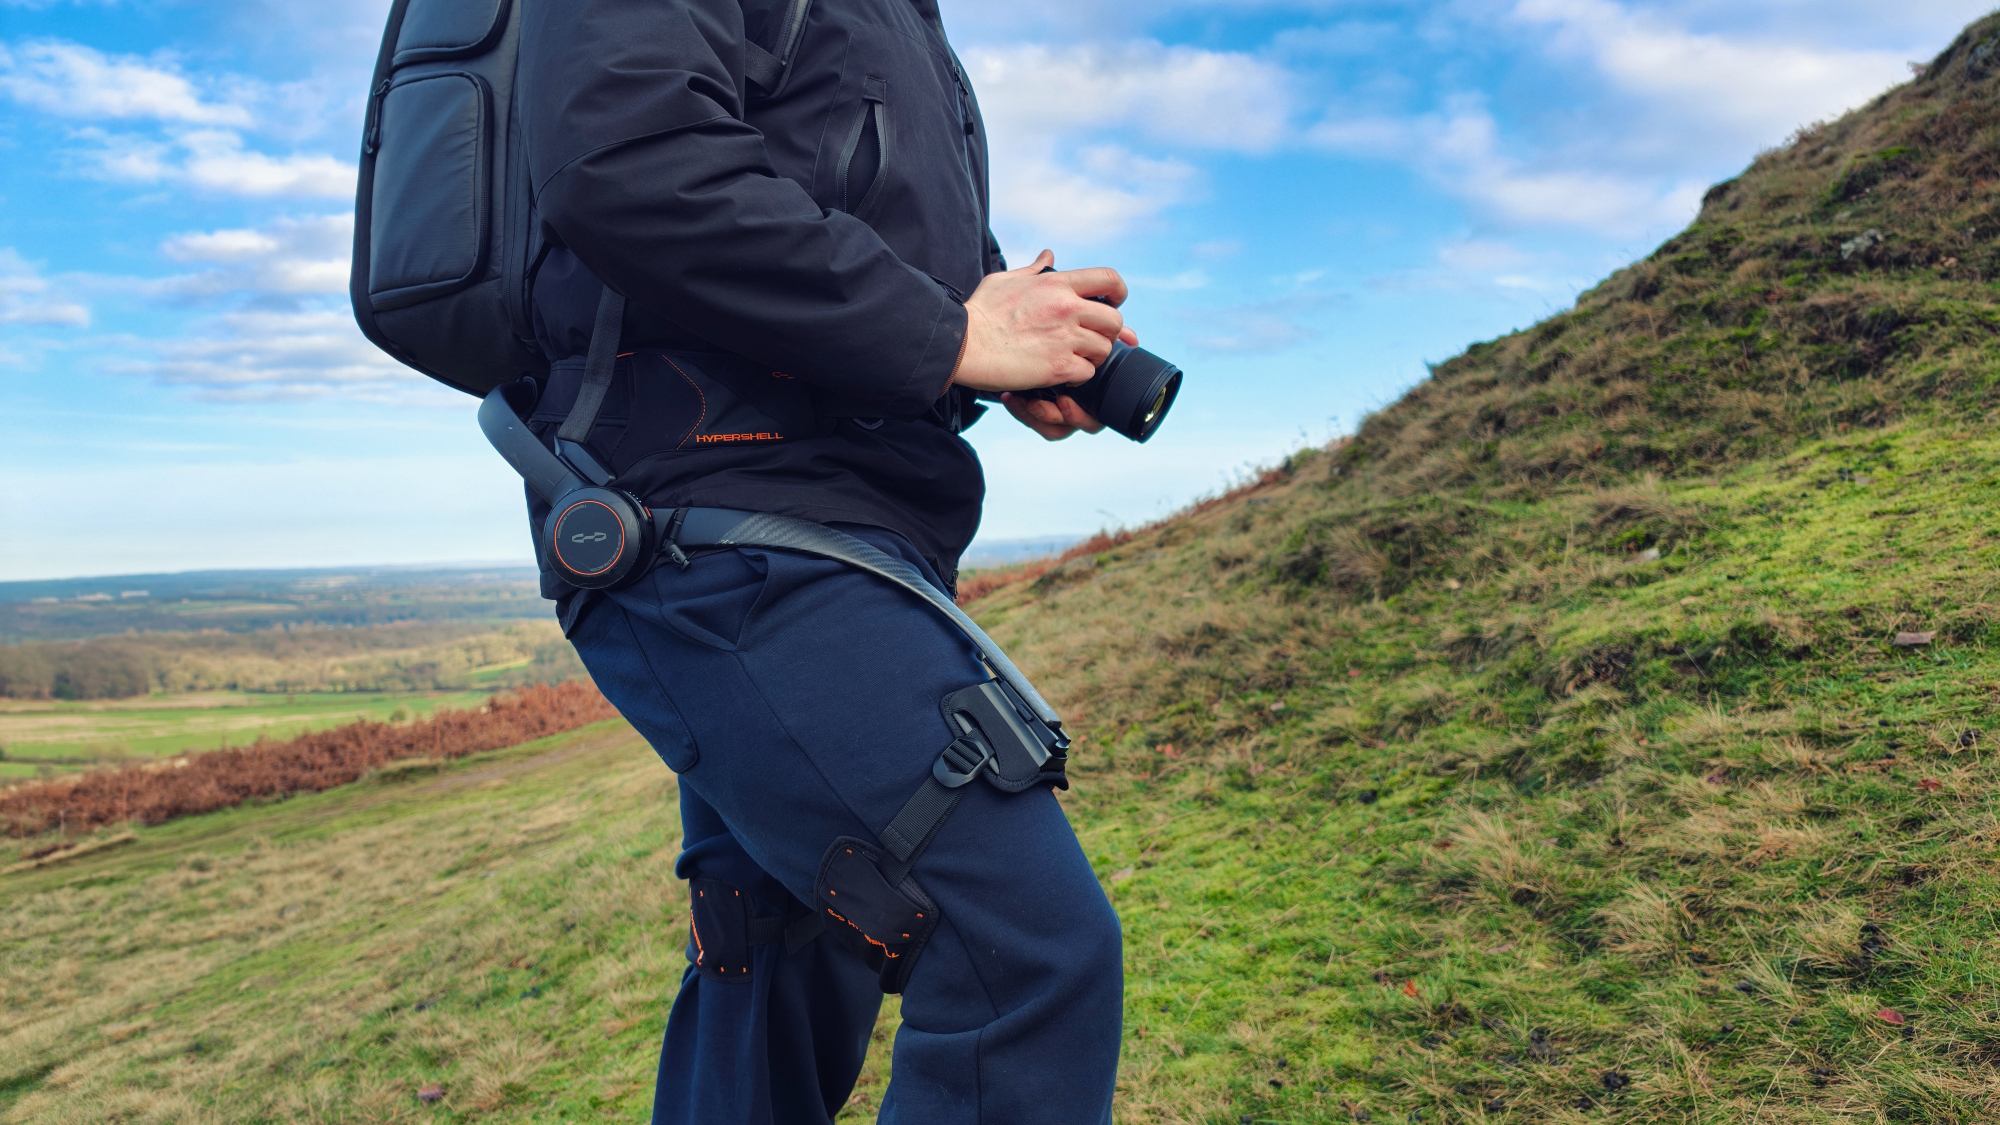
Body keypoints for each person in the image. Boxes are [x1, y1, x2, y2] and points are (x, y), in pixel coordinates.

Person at [514, 0, 1129, 1120]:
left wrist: (999, 336)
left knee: (779, 954)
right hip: (719, 514)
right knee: (1022, 957)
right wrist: (951, 335)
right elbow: (629, 162)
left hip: (842, 517)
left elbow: (851, 229)